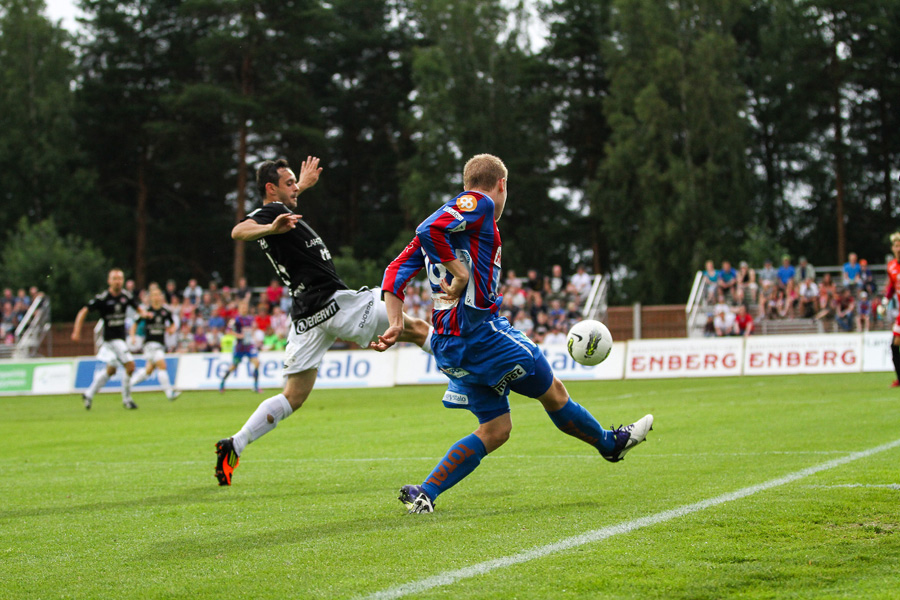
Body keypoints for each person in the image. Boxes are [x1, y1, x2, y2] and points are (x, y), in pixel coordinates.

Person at [376, 154, 652, 514]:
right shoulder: (482, 202)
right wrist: (459, 273)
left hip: (449, 345)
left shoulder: (449, 230)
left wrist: (396, 321)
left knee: (496, 429)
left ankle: (425, 493)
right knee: (554, 392)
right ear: (502, 184)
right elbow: (429, 228)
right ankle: (608, 444)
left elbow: (395, 268)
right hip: (483, 336)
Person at [213, 157, 431, 486]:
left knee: (294, 395)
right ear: (270, 189)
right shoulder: (272, 214)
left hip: (307, 314)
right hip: (333, 303)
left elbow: (282, 202)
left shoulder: (281, 207)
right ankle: (470, 373)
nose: (294, 188)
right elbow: (238, 230)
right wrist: (270, 228)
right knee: (417, 329)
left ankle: (234, 444)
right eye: (288, 184)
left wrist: (302, 184)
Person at [71, 268, 147, 410]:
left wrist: (144, 314)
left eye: (120, 279)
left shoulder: (126, 296)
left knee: (111, 370)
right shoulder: (103, 298)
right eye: (115, 279)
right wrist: (76, 331)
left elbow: (139, 309)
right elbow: (83, 311)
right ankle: (127, 400)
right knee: (130, 366)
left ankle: (88, 394)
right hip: (112, 340)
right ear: (109, 281)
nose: (118, 282)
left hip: (121, 339)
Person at [129, 284, 181, 401]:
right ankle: (169, 393)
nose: (157, 297)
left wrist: (171, 330)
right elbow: (134, 323)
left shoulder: (165, 312)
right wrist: (132, 336)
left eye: (158, 295)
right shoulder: (147, 311)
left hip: (160, 344)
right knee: (162, 365)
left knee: (148, 370)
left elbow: (173, 324)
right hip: (150, 344)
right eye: (154, 295)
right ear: (151, 298)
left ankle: (128, 385)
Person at [218, 301, 261, 394]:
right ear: (239, 309)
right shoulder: (236, 319)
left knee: (257, 362)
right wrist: (239, 335)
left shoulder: (250, 318)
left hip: (249, 345)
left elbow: (252, 329)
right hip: (240, 347)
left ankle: (256, 386)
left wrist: (252, 335)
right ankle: (222, 382)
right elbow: (228, 330)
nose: (245, 309)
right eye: (243, 307)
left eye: (246, 307)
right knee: (234, 366)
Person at [884, 233, 900, 386]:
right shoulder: (891, 266)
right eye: (896, 246)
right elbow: (891, 287)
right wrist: (884, 302)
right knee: (894, 344)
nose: (899, 248)